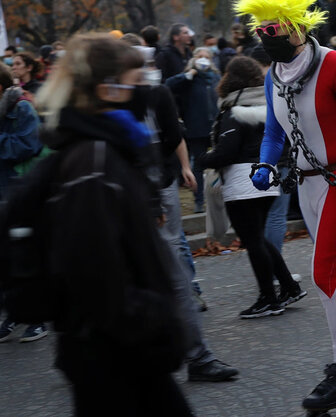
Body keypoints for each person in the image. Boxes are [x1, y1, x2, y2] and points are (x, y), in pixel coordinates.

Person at [236, 0, 336, 409]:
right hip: (307, 187)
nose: (265, 37)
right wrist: (263, 163)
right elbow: (274, 131)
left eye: (272, 29)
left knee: (325, 274)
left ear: (295, 27)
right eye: (261, 31)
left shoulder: (335, 65)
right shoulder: (274, 75)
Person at [32, 34, 193, 416]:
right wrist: (154, 327)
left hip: (117, 347)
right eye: (137, 82)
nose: (146, 90)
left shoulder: (106, 149)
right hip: (113, 351)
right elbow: (93, 269)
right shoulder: (93, 161)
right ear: (109, 90)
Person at [119, 38, 239, 382]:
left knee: (168, 273)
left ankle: (193, 355)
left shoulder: (147, 97)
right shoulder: (116, 103)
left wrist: (179, 172)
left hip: (149, 193)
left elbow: (166, 141)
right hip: (129, 200)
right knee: (157, 277)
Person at [198, 57, 307, 318]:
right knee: (259, 238)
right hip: (266, 177)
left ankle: (267, 298)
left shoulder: (234, 110)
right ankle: (289, 287)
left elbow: (227, 151)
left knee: (253, 240)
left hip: (241, 180)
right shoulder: (267, 104)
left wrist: (202, 159)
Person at [0, 62, 47, 342]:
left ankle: (37, 318)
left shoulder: (21, 108)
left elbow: (27, 146)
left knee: (22, 256)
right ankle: (9, 313)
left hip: (15, 189)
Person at [165, 48, 222, 213]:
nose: (203, 60)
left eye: (206, 57)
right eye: (200, 57)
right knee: (198, 164)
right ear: (193, 59)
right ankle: (199, 200)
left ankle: (221, 197)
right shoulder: (188, 79)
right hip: (196, 128)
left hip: (215, 127)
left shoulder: (215, 77)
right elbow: (168, 85)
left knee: (220, 162)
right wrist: (187, 75)